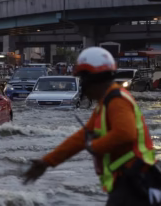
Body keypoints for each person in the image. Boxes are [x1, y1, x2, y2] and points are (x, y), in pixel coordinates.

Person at [23, 47, 161, 206]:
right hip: (128, 181)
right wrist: (47, 162)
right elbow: (80, 138)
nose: (82, 86)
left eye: (82, 79)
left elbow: (125, 134)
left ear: (92, 79)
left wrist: (94, 146)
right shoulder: (105, 105)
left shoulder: (117, 101)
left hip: (134, 182)